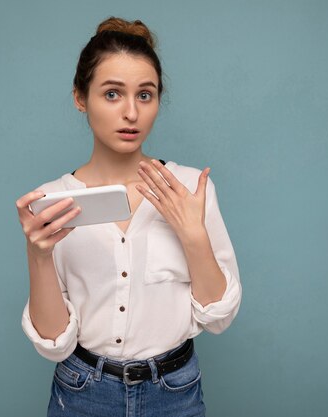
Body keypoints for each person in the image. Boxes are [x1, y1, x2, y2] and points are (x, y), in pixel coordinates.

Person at [15, 17, 242, 417]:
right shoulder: (53, 201)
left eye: (146, 95)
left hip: (175, 392)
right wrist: (38, 254)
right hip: (82, 392)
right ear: (80, 97)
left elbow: (219, 317)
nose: (131, 113)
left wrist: (192, 234)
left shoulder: (189, 188)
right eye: (113, 94)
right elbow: (53, 343)